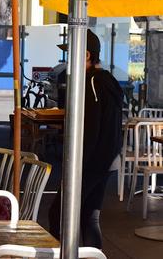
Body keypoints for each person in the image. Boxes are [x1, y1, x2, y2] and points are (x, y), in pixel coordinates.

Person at [49, 29, 123, 248]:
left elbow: (91, 128)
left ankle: (62, 253)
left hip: (91, 161)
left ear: (87, 55)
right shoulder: (108, 81)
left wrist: (76, 165)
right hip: (107, 159)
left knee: (60, 214)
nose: (68, 59)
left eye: (72, 52)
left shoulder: (91, 83)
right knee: (89, 217)